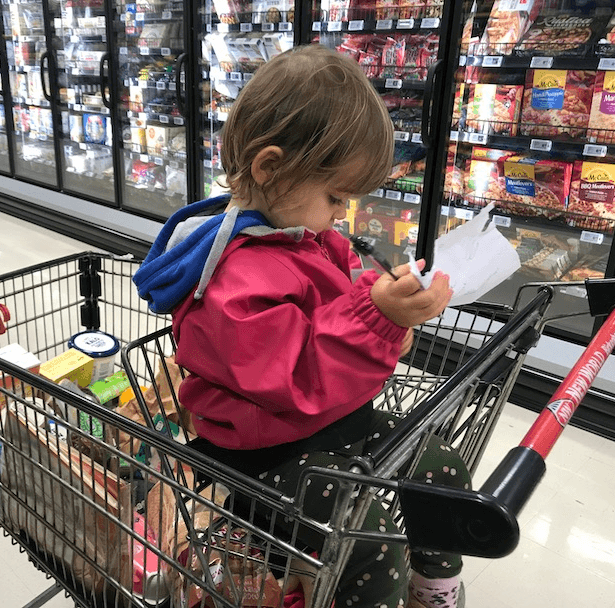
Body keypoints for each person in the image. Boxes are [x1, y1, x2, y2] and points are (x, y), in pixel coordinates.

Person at [133, 44, 469, 608]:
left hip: (327, 428)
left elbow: (340, 310)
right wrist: (377, 320)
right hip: (264, 457)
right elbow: (293, 376)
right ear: (270, 168)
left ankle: (434, 591)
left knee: (439, 467)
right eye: (336, 197)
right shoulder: (232, 281)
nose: (342, 214)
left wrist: (386, 306)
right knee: (372, 545)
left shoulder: (301, 237)